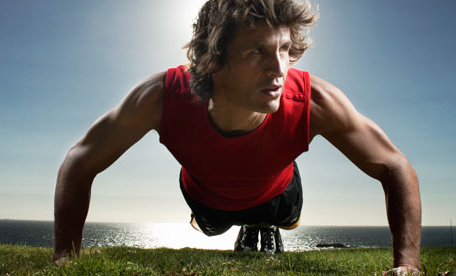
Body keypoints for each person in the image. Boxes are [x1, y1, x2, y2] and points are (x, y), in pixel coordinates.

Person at [53, 0, 422, 274]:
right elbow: (81, 159)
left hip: (278, 195)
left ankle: (262, 224)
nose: (279, 68)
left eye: (283, 48)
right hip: (207, 200)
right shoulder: (161, 96)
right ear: (213, 58)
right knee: (214, 227)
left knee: (280, 209)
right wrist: (66, 257)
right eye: (256, 51)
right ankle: (242, 223)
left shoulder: (315, 101)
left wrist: (408, 265)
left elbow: (394, 165)